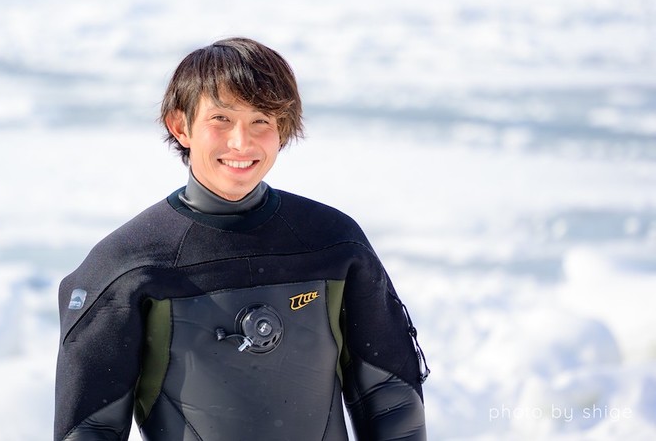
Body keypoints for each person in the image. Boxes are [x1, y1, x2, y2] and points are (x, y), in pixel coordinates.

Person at [54, 37, 429, 441]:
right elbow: (89, 430)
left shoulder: (333, 244)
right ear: (181, 126)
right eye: (221, 119)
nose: (241, 142)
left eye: (262, 121)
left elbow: (392, 399)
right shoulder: (128, 265)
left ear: (282, 129)